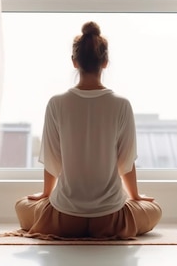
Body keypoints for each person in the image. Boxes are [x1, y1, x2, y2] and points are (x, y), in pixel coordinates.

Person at [13, 21, 162, 240]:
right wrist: (135, 197)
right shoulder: (121, 104)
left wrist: (46, 194)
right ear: (105, 62)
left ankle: (66, 223)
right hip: (111, 219)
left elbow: (53, 158)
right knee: (155, 210)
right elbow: (125, 162)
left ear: (74, 62)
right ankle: (105, 226)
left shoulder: (56, 103)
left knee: (21, 206)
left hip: (63, 219)